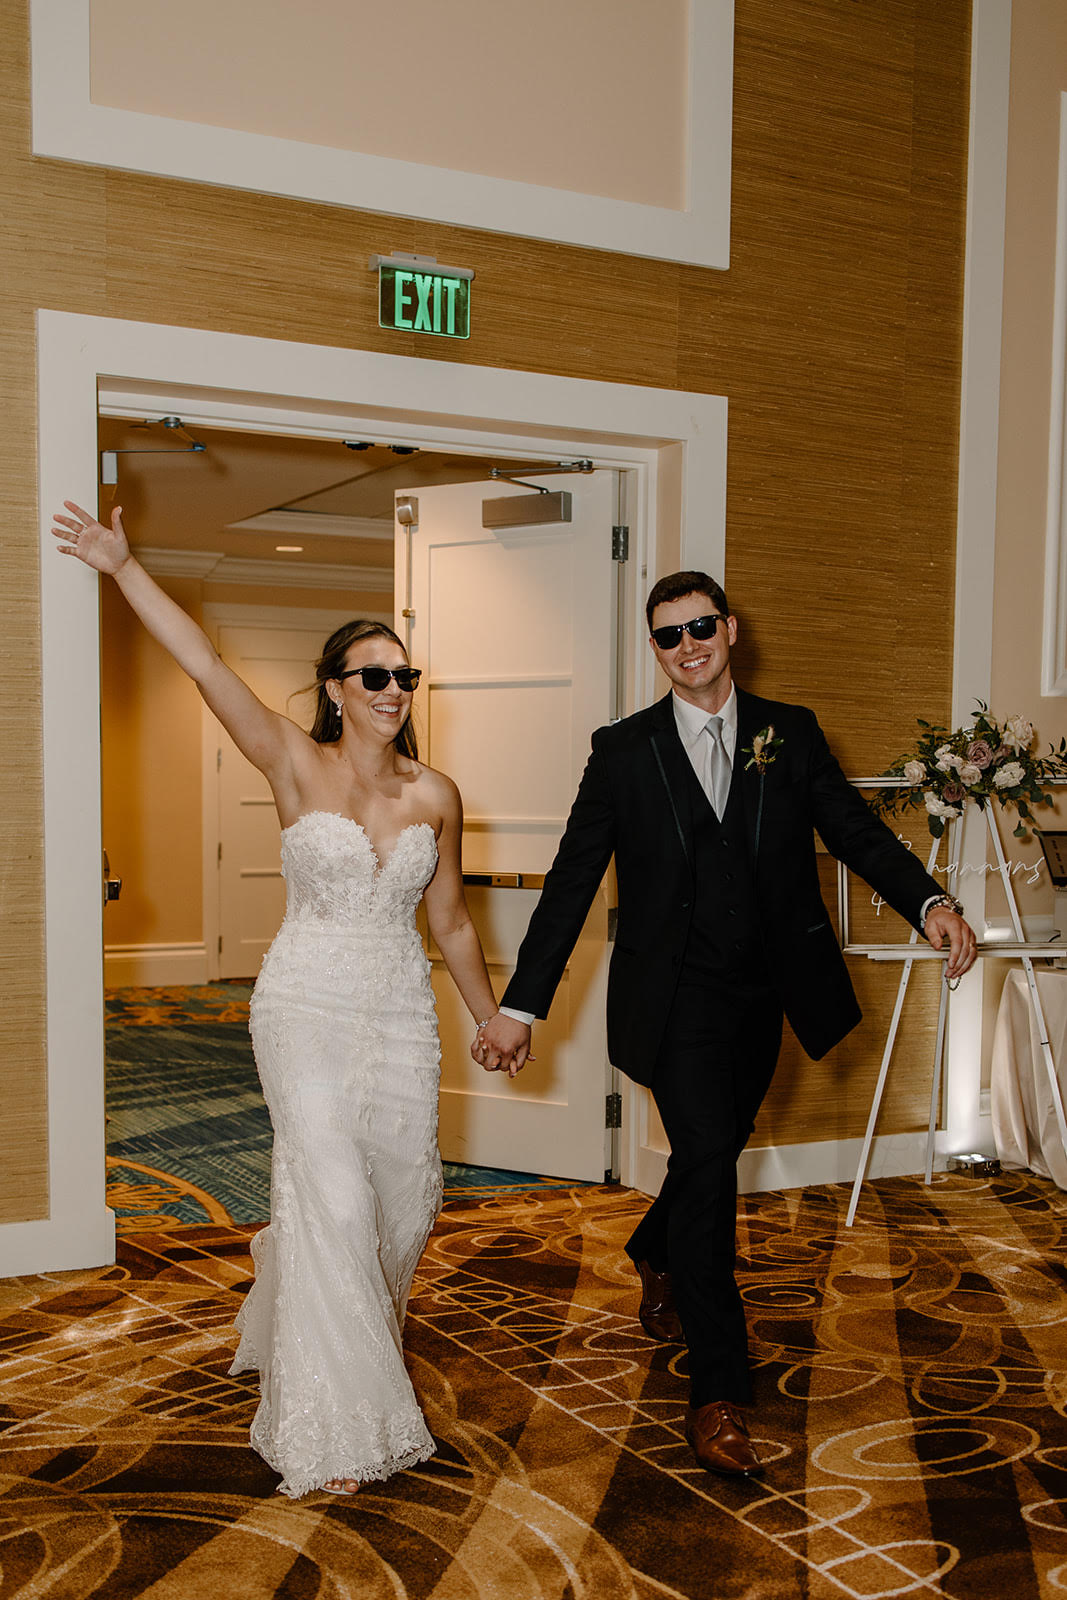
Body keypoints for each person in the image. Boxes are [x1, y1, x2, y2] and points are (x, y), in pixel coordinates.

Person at [53, 501, 515, 1498]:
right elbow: (204, 666)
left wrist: (486, 1014)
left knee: (401, 1203)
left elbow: (451, 924)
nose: (395, 690)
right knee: (338, 1198)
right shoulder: (290, 760)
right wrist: (123, 565)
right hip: (303, 1005)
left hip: (397, 1017)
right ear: (336, 690)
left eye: (405, 676)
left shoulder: (435, 794)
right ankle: (333, 1423)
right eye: (375, 675)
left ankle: (325, 1320)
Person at [475, 569, 977, 1479]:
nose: (687, 645)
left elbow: (855, 832)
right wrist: (520, 1004)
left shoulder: (791, 731)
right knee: (707, 1163)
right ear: (656, 648)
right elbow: (572, 879)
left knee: (716, 1149)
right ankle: (717, 1392)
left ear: (729, 629)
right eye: (668, 635)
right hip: (671, 1003)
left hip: (763, 993)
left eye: (700, 626)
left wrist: (930, 901)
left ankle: (648, 1246)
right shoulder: (622, 751)